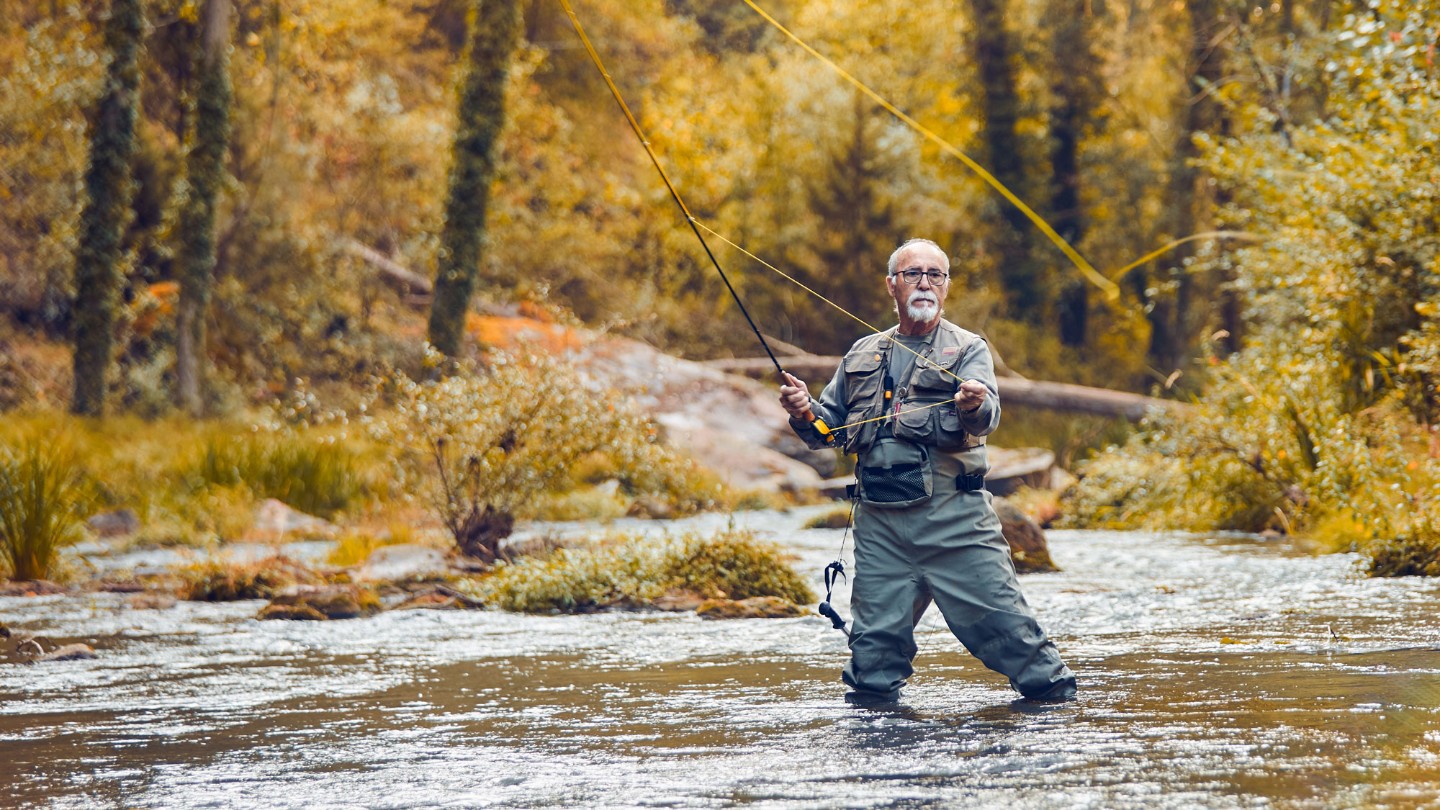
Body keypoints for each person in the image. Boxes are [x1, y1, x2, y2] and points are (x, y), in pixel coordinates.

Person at [779, 237, 1077, 704]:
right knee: (872, 661)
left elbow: (988, 418)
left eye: (934, 275)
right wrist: (802, 412)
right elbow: (829, 431)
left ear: (946, 286)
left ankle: (1056, 724)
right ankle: (879, 761)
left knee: (1014, 642)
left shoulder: (967, 348)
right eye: (913, 274)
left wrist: (973, 404)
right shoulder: (861, 353)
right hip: (880, 528)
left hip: (955, 521)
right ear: (892, 286)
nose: (924, 283)